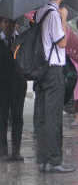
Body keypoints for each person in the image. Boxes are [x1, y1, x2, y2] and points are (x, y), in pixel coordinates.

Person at [34, 0, 75, 173]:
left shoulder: (40, 12)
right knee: (53, 117)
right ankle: (55, 161)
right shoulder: (53, 14)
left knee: (42, 116)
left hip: (42, 70)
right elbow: (62, 42)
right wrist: (64, 18)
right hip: (53, 71)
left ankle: (43, 159)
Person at [0, 18, 27, 161]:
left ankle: (16, 151)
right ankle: (3, 151)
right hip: (2, 85)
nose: (8, 25)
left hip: (18, 84)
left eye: (11, 22)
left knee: (17, 118)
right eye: (4, 22)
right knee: (2, 117)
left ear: (16, 23)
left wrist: (16, 53)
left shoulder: (23, 39)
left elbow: (28, 59)